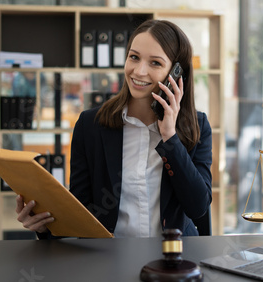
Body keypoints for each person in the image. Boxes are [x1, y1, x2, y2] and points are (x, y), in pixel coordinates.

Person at [16, 19, 212, 238]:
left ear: (176, 74)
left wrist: (170, 137)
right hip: (108, 258)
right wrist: (44, 226)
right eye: (134, 57)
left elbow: (198, 207)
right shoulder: (91, 126)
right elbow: (80, 211)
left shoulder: (196, 127)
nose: (139, 71)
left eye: (155, 63)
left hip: (174, 258)